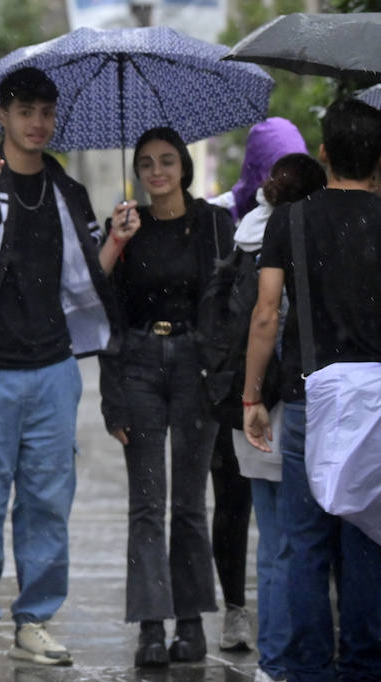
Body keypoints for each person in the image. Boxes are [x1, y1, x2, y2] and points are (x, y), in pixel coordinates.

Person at [0, 66, 121, 667]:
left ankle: (35, 618)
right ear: (2, 117)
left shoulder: (69, 192)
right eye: (26, 111)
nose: (38, 123)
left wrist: (118, 239)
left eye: (46, 112)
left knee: (48, 499)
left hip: (54, 369)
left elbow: (91, 276)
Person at [243, 98, 381, 682]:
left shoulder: (291, 219)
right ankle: (364, 664)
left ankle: (304, 667)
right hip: (376, 399)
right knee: (367, 541)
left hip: (308, 399)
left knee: (304, 542)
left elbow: (266, 314)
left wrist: (252, 395)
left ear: (322, 154)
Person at [97, 127, 234, 666]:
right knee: (147, 505)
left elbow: (227, 303)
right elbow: (101, 305)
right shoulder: (126, 226)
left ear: (184, 168)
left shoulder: (213, 224)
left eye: (167, 162)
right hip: (140, 365)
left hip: (195, 366)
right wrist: (116, 241)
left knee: (190, 505)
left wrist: (220, 376)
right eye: (147, 163)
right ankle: (151, 625)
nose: (157, 172)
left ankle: (192, 621)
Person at [207, 116, 305, 653]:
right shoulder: (229, 220)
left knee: (277, 526)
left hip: (272, 393)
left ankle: (279, 641)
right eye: (274, 169)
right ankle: (248, 617)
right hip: (250, 392)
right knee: (242, 507)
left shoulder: (297, 220)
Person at [230, 153, 325, 682]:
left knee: (271, 541)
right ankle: (287, 656)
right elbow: (271, 321)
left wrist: (246, 398)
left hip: (250, 408)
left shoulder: (242, 236)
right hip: (285, 407)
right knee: (295, 541)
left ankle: (271, 657)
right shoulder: (296, 242)